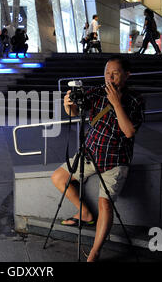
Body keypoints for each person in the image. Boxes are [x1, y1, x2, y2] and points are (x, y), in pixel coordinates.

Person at [50, 56, 145, 262]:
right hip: (90, 153)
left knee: (105, 205)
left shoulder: (136, 99)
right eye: (106, 72)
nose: (109, 77)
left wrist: (116, 104)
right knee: (58, 178)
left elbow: (129, 132)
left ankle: (94, 253)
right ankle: (84, 213)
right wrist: (68, 104)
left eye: (115, 73)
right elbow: (75, 112)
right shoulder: (96, 92)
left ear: (127, 75)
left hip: (115, 159)